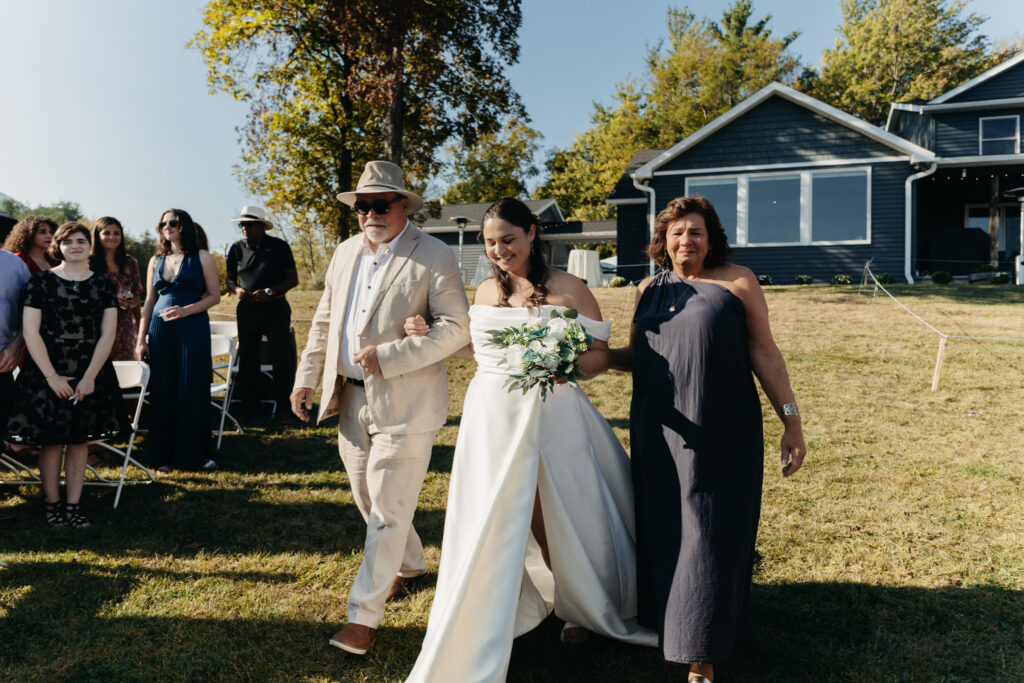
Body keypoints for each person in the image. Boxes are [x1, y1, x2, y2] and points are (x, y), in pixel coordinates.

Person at [404, 198, 656, 683]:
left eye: (508, 239)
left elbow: (600, 355)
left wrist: (566, 367)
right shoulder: (480, 291)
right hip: (493, 414)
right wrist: (426, 331)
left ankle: (584, 605)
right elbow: (477, 353)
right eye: (491, 241)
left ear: (532, 233)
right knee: (501, 511)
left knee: (570, 509)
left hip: (554, 412)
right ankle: (501, 607)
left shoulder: (570, 289)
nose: (499, 250)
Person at [608, 195, 807, 683]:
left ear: (710, 237)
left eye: (695, 232)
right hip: (659, 430)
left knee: (711, 531)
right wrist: (579, 359)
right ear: (663, 241)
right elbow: (637, 355)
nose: (685, 240)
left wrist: (791, 420)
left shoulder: (738, 281)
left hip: (723, 428)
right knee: (664, 524)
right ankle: (669, 622)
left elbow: (765, 352)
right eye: (676, 233)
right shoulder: (646, 288)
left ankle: (702, 652)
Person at [290, 160, 470, 656]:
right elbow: (326, 320)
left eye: (381, 204)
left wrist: (388, 356)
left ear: (404, 206)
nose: (370, 213)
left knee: (388, 510)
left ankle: (362, 619)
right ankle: (408, 565)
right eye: (363, 205)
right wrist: (307, 377)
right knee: (369, 500)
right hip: (349, 398)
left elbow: (456, 328)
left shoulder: (434, 254)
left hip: (407, 402)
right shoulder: (345, 251)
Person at [4, 222, 128, 528]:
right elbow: (31, 332)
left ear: (89, 246)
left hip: (90, 369)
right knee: (50, 441)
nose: (75, 245)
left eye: (81, 240)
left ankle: (74, 505)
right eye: (68, 240)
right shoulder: (40, 283)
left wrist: (88, 378)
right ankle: (52, 505)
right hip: (46, 369)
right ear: (56, 247)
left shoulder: (102, 285)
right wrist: (51, 377)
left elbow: (107, 334)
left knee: (78, 440)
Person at [135, 209, 221, 472]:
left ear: (184, 225)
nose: (167, 226)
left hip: (192, 327)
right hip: (160, 331)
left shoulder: (202, 256)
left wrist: (185, 311)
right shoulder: (155, 260)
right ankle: (161, 455)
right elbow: (149, 301)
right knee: (162, 390)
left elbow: (214, 296)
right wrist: (141, 339)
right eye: (163, 223)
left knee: (190, 387)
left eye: (173, 222)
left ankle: (191, 454)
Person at [225, 206, 298, 420]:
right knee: (248, 360)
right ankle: (250, 408)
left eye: (248, 224)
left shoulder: (279, 246)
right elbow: (229, 279)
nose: (244, 228)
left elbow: (292, 279)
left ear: (261, 225)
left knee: (281, 359)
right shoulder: (236, 248)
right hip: (247, 309)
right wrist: (237, 289)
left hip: (276, 308)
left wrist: (269, 292)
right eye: (241, 224)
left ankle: (286, 408)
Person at [89, 217, 144, 361]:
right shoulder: (88, 262)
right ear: (97, 235)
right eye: (106, 233)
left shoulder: (130, 262)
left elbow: (137, 298)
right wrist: (111, 299)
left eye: (116, 233)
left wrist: (141, 334)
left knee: (126, 375)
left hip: (125, 328)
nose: (112, 237)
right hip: (96, 327)